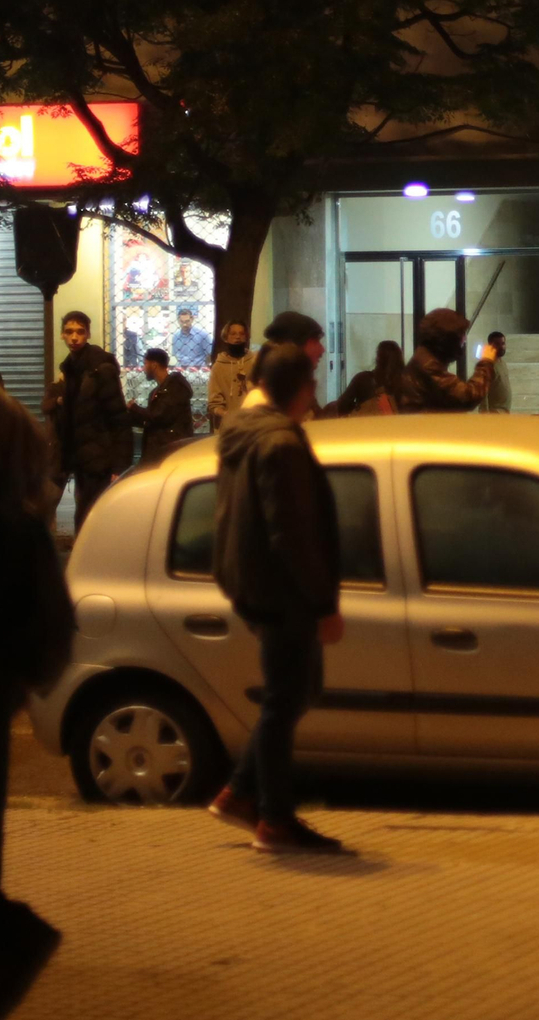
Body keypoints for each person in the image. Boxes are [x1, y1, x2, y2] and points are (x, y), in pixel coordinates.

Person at [206, 344, 345, 855]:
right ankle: (273, 818)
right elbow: (291, 532)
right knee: (287, 699)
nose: (315, 395)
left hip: (254, 583)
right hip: (282, 591)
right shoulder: (280, 443)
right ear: (299, 388)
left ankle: (242, 793)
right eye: (312, 384)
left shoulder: (242, 434)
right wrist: (323, 602)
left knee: (296, 691)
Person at [0, 378, 73, 1018]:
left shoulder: (6, 531)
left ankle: (12, 937)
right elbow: (48, 637)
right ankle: (10, 937)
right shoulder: (20, 527)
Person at [41, 310, 130, 532]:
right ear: (62, 335)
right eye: (69, 332)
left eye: (80, 332)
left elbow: (118, 417)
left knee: (90, 519)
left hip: (99, 458)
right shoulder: (72, 368)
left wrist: (119, 464)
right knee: (86, 517)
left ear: (88, 334)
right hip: (80, 458)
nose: (74, 337)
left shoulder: (100, 370)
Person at [398, 308, 496, 413]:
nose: (464, 340)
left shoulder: (424, 358)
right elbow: (467, 397)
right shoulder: (428, 366)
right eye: (461, 335)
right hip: (424, 427)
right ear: (448, 339)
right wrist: (486, 362)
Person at [242, 312, 328, 412]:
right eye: (315, 341)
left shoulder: (292, 391)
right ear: (293, 346)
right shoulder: (261, 402)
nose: (322, 350)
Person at [128, 349, 194, 462]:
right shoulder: (157, 391)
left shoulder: (175, 387)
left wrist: (134, 408)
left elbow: (159, 415)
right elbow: (151, 419)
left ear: (154, 365)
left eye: (145, 363)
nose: (143, 368)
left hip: (171, 452)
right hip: (162, 450)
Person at [335, 341, 406, 417]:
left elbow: (342, 405)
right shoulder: (405, 382)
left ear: (377, 358)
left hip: (366, 425)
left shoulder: (362, 379)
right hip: (396, 427)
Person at [207, 322, 256, 430]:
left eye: (241, 334)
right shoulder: (219, 367)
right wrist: (225, 414)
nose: (237, 337)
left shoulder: (255, 363)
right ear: (226, 337)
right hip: (228, 426)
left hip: (253, 423)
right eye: (233, 334)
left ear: (246, 337)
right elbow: (214, 403)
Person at [480, 332, 512, 414]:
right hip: (494, 413)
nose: (501, 347)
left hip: (504, 412)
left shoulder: (502, 363)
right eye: (497, 344)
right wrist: (485, 415)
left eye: (503, 343)